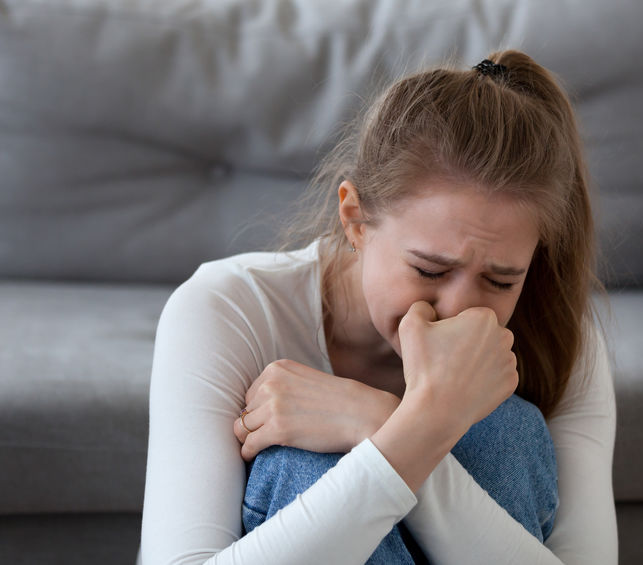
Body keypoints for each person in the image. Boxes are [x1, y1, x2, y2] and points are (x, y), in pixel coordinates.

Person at [140, 50, 617, 564]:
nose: (459, 307)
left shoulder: (561, 332)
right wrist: (416, 429)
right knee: (303, 464)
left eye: (500, 280)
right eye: (430, 270)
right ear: (354, 219)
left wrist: (385, 422)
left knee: (505, 432)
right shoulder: (226, 308)